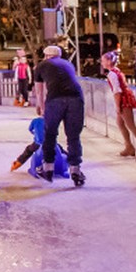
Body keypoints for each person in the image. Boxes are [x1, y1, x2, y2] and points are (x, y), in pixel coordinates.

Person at [33, 45, 87, 185]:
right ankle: (75, 170)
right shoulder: (68, 64)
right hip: (76, 98)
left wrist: (41, 106)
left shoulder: (41, 66)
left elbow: (39, 91)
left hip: (55, 99)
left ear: (45, 55)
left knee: (50, 133)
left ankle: (48, 168)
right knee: (73, 136)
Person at [101, 51, 136, 161]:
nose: (102, 62)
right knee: (120, 123)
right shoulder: (116, 71)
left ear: (109, 61)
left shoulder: (112, 74)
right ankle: (129, 146)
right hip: (125, 98)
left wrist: (117, 106)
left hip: (123, 100)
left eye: (103, 60)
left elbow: (117, 91)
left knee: (130, 124)